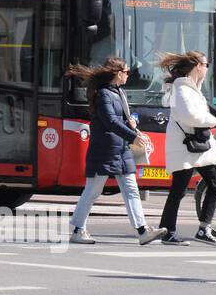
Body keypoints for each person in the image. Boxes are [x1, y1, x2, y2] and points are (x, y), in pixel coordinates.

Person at [65, 57, 168, 245]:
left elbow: (119, 119)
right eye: (127, 72)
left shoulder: (118, 92)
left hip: (120, 150)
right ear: (117, 73)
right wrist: (133, 136)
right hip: (104, 150)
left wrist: (132, 125)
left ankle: (142, 230)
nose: (129, 75)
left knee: (131, 190)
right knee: (93, 191)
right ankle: (78, 230)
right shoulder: (104, 94)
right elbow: (110, 122)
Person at [159, 51, 216, 245]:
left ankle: (203, 229)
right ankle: (168, 232)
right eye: (206, 64)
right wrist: (213, 120)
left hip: (196, 147)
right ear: (198, 66)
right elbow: (189, 116)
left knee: (215, 185)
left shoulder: (191, 89)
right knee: (179, 190)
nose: (207, 68)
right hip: (185, 146)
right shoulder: (181, 89)